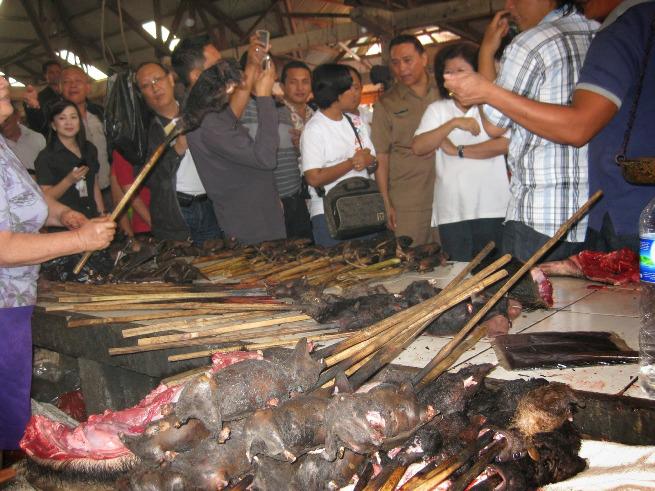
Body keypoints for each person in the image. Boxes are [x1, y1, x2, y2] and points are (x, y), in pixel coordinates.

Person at [444, 0, 654, 252]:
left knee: (531, 292)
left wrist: (486, 57)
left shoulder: (532, 43)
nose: (509, 5)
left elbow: (493, 124)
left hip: (543, 215)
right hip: (592, 217)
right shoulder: (595, 31)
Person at [0, 76, 116, 450]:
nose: (3, 80)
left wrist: (66, 215)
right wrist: (80, 241)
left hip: (13, 304)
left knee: (11, 416)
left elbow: (29, 200)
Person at [180, 38, 287, 245]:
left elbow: (234, 110)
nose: (225, 69)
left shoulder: (210, 111)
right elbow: (265, 158)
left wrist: (253, 64)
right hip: (251, 224)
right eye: (217, 66)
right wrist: (264, 96)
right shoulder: (206, 121)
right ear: (197, 76)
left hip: (258, 214)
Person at [412, 42, 510, 262]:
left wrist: (458, 150)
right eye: (448, 72)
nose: (455, 78)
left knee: (494, 272)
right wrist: (453, 123)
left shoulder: (491, 107)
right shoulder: (438, 109)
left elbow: (504, 144)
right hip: (452, 209)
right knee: (458, 274)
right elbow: (419, 146)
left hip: (492, 206)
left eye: (461, 71)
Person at [135, 61, 221, 245]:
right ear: (142, 94)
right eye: (146, 85)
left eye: (157, 79)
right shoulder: (144, 132)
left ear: (171, 79)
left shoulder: (197, 110)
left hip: (211, 205)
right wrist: (177, 150)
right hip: (176, 214)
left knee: (219, 264)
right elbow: (148, 179)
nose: (155, 87)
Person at [370, 34, 441, 247]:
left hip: (448, 193)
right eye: (395, 62)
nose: (402, 68)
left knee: (452, 261)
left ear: (424, 58)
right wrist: (386, 203)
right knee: (411, 262)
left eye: (408, 60)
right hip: (408, 201)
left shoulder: (445, 92)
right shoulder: (386, 104)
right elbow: (381, 156)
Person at [301, 64, 376, 247]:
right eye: (349, 87)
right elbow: (313, 177)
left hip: (364, 207)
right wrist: (352, 163)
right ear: (335, 92)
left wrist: (368, 161)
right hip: (330, 214)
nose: (355, 92)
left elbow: (373, 160)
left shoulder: (356, 122)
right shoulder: (314, 129)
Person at [34, 100, 104, 219]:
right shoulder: (45, 157)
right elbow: (46, 197)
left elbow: (94, 185)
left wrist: (101, 213)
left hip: (91, 217)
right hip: (65, 223)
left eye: (73, 117)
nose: (69, 123)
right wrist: (68, 180)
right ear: (53, 125)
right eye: (62, 118)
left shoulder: (89, 149)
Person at [275, 61, 314, 240]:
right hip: (285, 197)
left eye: (305, 81)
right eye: (293, 82)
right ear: (282, 86)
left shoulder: (316, 115)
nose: (300, 87)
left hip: (314, 197)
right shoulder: (274, 113)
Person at [111, 149, 151, 239]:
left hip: (173, 220)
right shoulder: (124, 149)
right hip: (145, 229)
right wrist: (131, 240)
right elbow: (119, 201)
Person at [0, 104, 45, 175]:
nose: (2, 125)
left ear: (16, 115)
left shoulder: (37, 138)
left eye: (6, 120)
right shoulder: (1, 146)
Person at [22, 60, 62, 136]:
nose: (56, 75)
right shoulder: (39, 98)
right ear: (45, 75)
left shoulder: (68, 95)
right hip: (49, 137)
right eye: (51, 72)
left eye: (58, 72)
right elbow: (35, 124)